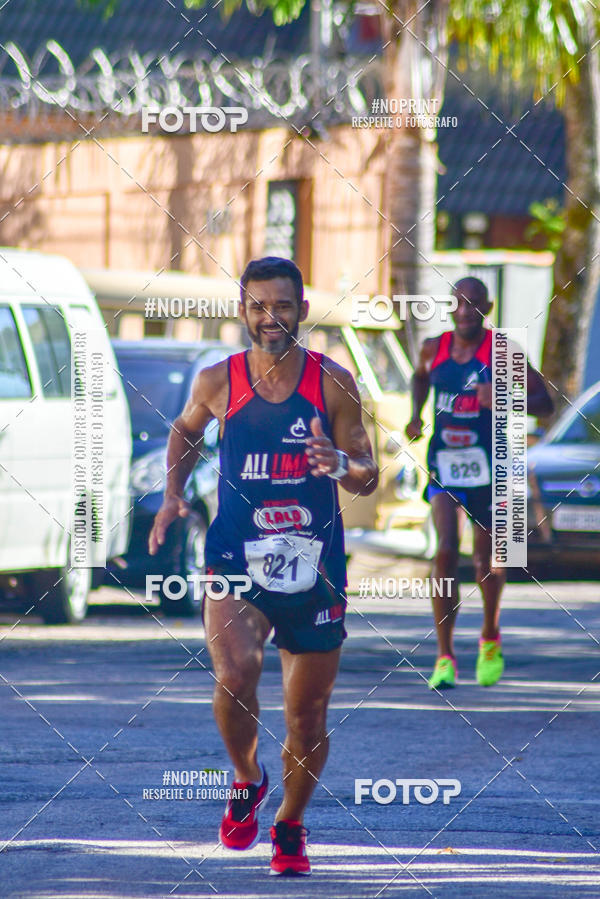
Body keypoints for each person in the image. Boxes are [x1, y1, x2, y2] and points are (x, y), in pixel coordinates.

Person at [148, 256, 378, 875]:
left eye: (281, 305)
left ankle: (290, 823)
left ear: (302, 310)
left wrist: (338, 464)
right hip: (235, 559)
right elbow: (185, 432)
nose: (269, 317)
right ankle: (247, 777)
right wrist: (173, 494)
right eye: (257, 305)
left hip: (315, 566)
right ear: (242, 309)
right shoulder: (219, 379)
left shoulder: (332, 381)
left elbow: (368, 472)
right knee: (235, 674)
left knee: (306, 717)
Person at [406, 277, 553, 689]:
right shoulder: (433, 348)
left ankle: (489, 636)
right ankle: (445, 656)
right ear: (450, 307)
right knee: (446, 551)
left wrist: (506, 397)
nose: (466, 311)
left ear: (488, 307)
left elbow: (546, 403)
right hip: (445, 463)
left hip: (493, 465)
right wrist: (416, 416)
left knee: (487, 560)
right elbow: (420, 378)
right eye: (458, 303)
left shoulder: (503, 351)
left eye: (474, 304)